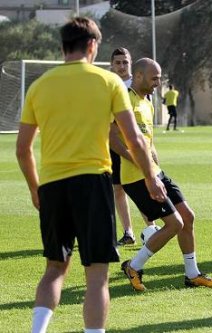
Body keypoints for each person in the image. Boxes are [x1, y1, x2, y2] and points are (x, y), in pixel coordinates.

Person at [16, 17, 166, 333]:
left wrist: (34, 189)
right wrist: (152, 177)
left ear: (62, 47)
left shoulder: (39, 86)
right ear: (92, 45)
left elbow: (22, 149)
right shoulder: (109, 82)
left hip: (53, 185)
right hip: (92, 183)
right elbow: (134, 138)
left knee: (54, 269)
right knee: (96, 273)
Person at [112, 58, 212, 291]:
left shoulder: (148, 102)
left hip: (155, 172)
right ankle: (133, 266)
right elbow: (110, 135)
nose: (158, 83)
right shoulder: (125, 100)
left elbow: (147, 140)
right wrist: (132, 158)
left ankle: (192, 275)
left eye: (159, 78)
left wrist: (155, 162)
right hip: (136, 176)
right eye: (154, 78)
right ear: (139, 76)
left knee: (188, 218)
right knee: (175, 224)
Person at [109, 47, 139, 245]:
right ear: (112, 64)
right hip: (113, 144)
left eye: (125, 62)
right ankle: (128, 232)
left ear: (131, 63)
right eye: (118, 62)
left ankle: (151, 228)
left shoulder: (137, 85)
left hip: (136, 143)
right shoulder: (108, 85)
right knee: (118, 189)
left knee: (143, 185)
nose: (121, 66)